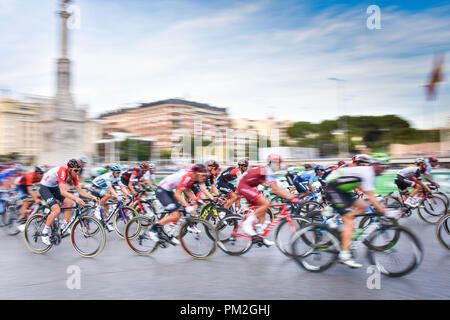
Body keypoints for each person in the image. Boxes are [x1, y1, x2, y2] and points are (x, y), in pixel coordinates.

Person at [325, 156, 401, 268]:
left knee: (362, 206)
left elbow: (367, 192)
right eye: (383, 167)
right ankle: (344, 255)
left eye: (386, 168)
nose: (385, 170)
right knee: (350, 222)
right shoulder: (368, 172)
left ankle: (341, 222)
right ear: (376, 165)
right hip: (333, 188)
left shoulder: (368, 173)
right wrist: (385, 212)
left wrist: (381, 206)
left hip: (342, 190)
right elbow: (370, 196)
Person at [238, 154, 300, 246]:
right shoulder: (267, 170)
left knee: (263, 209)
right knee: (266, 203)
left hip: (248, 186)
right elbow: (275, 189)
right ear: (273, 163)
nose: (279, 166)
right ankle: (247, 224)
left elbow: (276, 188)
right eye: (279, 164)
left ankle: (259, 237)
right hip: (244, 186)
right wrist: (291, 197)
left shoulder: (266, 170)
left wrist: (291, 196)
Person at [39, 159, 98, 245]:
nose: (77, 172)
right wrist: (76, 198)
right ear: (69, 169)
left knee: (70, 203)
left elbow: (80, 191)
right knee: (56, 210)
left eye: (79, 170)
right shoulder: (62, 171)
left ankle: (64, 224)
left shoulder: (74, 175)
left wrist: (92, 197)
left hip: (54, 187)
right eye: (76, 170)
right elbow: (63, 192)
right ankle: (44, 233)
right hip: (45, 187)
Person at [148, 164, 209, 244]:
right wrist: (187, 205)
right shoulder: (187, 177)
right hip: (162, 190)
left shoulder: (192, 178)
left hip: (168, 190)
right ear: (196, 173)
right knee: (175, 215)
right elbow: (178, 194)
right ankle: (153, 229)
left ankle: (167, 234)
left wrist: (197, 199)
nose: (204, 177)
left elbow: (187, 190)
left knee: (179, 213)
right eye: (202, 175)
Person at [90, 163, 123, 231]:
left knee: (107, 206)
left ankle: (104, 223)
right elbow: (110, 188)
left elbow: (122, 187)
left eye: (120, 172)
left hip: (101, 189)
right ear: (113, 172)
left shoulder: (117, 177)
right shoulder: (108, 176)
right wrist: (117, 196)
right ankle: (97, 210)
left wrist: (128, 194)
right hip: (94, 187)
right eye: (117, 172)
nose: (119, 174)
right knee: (107, 195)